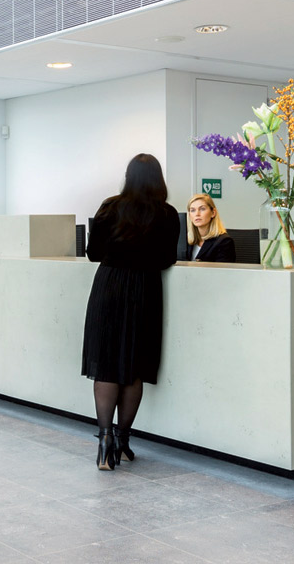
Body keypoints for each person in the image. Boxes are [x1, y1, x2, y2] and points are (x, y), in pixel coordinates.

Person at [82, 153, 178, 471]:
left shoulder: (110, 206)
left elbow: (93, 253)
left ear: (128, 176)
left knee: (107, 365)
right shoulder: (166, 214)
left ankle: (104, 441)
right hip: (145, 290)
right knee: (133, 367)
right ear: (158, 179)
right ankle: (123, 441)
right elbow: (167, 258)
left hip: (108, 287)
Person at [183, 194, 235, 263]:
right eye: (192, 210)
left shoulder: (224, 242)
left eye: (202, 209)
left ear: (213, 213)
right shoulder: (186, 240)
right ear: (189, 215)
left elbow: (223, 272)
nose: (197, 214)